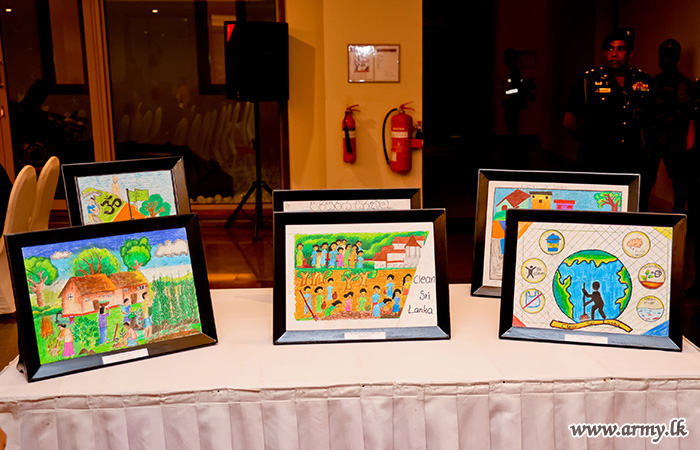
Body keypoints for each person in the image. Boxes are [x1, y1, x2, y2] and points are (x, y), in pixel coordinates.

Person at [563, 28, 653, 185]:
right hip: (596, 158)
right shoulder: (588, 80)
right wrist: (588, 141)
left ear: (630, 53)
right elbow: (569, 121)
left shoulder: (642, 80)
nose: (614, 54)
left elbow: (649, 119)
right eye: (610, 49)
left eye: (621, 49)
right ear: (604, 53)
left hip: (630, 158)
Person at [645, 39, 692, 212]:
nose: (666, 60)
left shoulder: (683, 83)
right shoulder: (652, 82)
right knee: (646, 181)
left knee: (680, 185)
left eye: (670, 56)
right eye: (663, 56)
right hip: (652, 140)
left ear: (676, 58)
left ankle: (677, 218)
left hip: (673, 142)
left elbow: (683, 114)